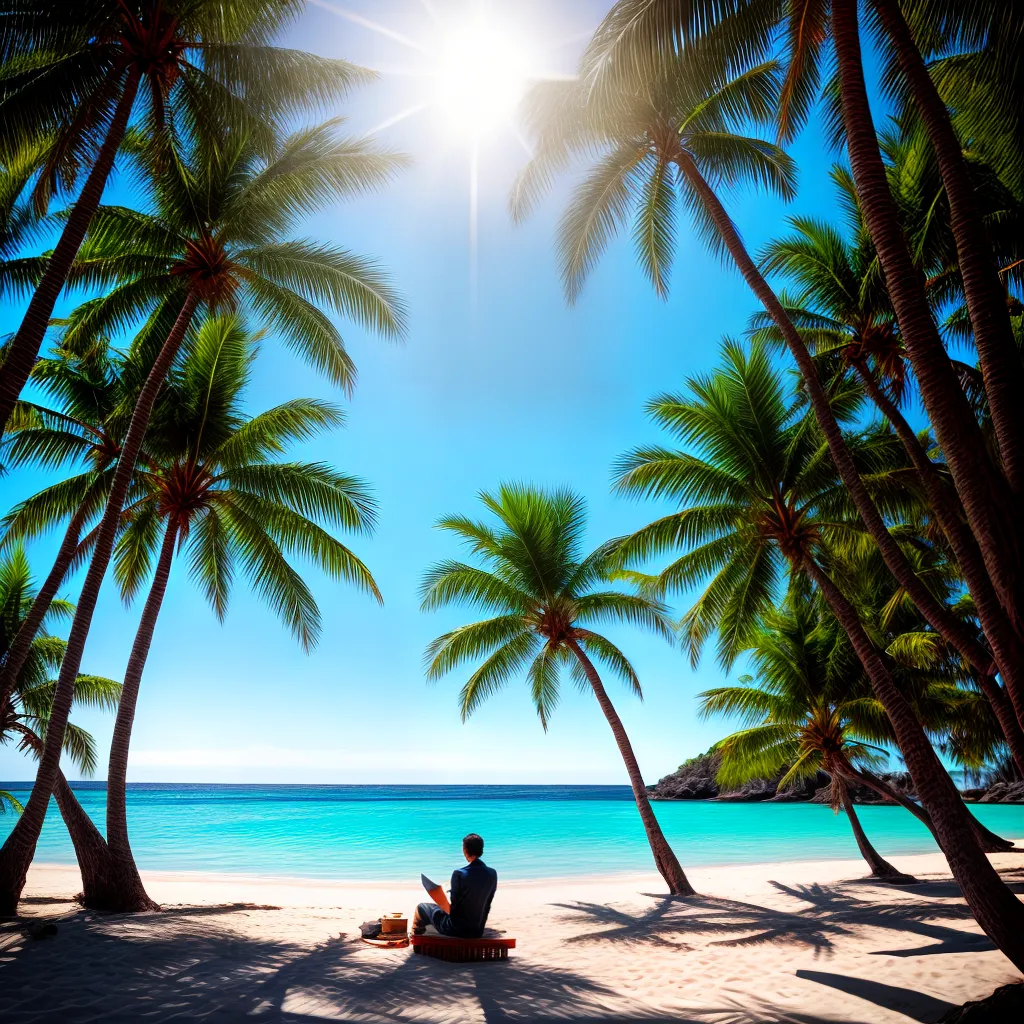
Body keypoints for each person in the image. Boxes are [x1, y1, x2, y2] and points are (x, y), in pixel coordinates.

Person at [413, 833, 498, 938]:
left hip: (456, 929)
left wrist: (443, 898)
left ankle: (415, 938)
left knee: (422, 907)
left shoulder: (459, 874)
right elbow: (487, 904)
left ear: (465, 850)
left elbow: (454, 909)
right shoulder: (492, 873)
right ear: (481, 850)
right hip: (478, 931)